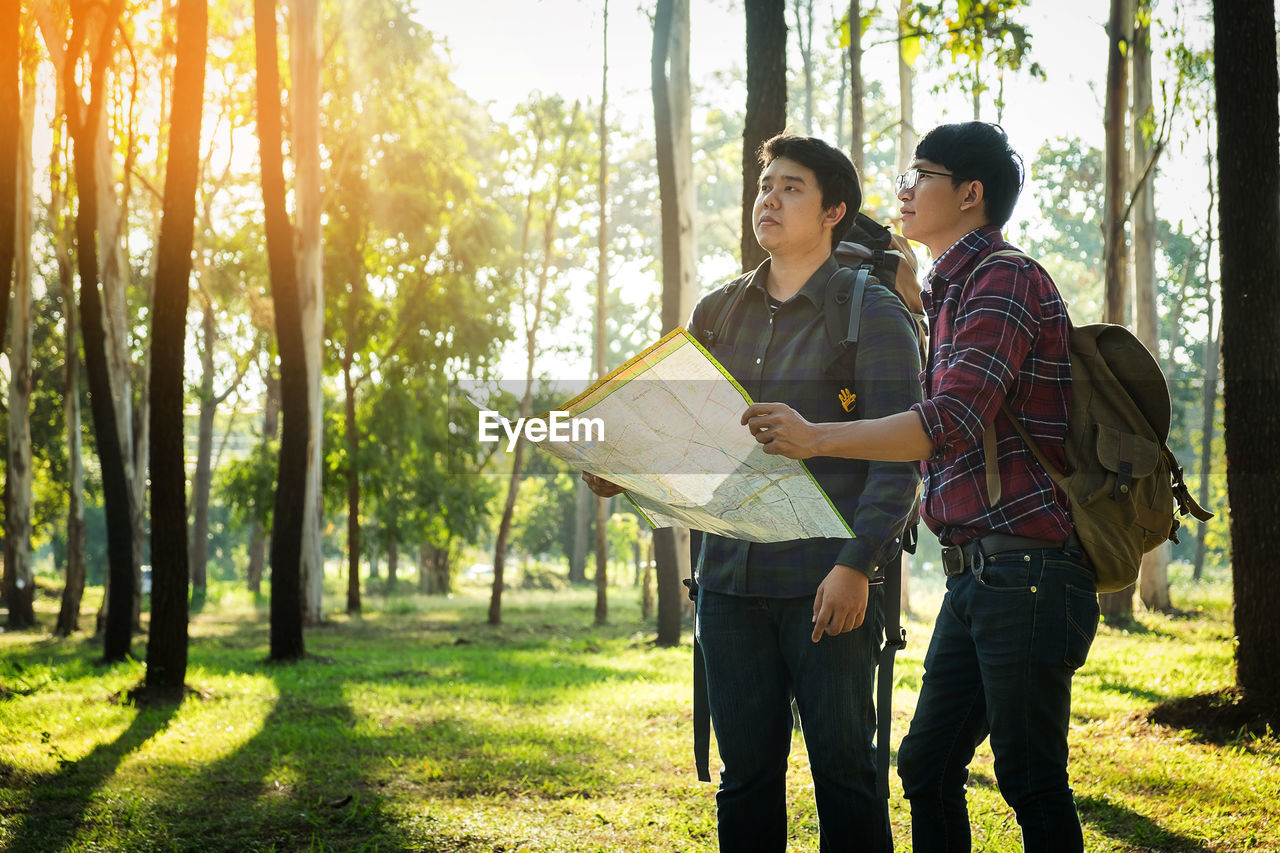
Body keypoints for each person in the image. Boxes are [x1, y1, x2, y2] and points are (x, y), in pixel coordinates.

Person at [740, 121, 1101, 852]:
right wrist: (917, 299)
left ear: (970, 194)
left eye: (922, 174)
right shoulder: (949, 288)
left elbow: (953, 419)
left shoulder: (1005, 276)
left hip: (1027, 568)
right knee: (927, 763)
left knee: (1030, 775)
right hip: (980, 572)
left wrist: (818, 436)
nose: (903, 189)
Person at [585, 134, 922, 852]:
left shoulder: (873, 315)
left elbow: (902, 456)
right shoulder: (717, 313)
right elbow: (691, 436)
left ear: (834, 210)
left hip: (828, 586)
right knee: (745, 779)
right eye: (765, 185)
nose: (768, 198)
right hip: (728, 584)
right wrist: (626, 467)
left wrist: (857, 564)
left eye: (791, 187)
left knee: (845, 772)